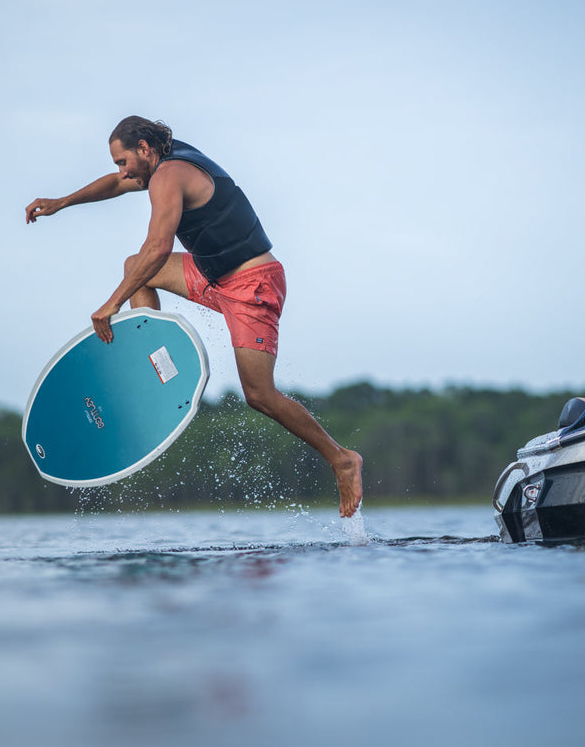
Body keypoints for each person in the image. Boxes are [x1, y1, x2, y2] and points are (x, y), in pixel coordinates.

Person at [25, 116, 363, 517]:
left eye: (123, 161)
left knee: (259, 395)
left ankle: (342, 459)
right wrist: (63, 202)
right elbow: (117, 186)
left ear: (145, 149)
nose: (122, 171)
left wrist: (113, 303)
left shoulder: (170, 175)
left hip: (252, 286)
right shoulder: (160, 159)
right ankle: (153, 362)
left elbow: (157, 247)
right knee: (135, 267)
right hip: (211, 273)